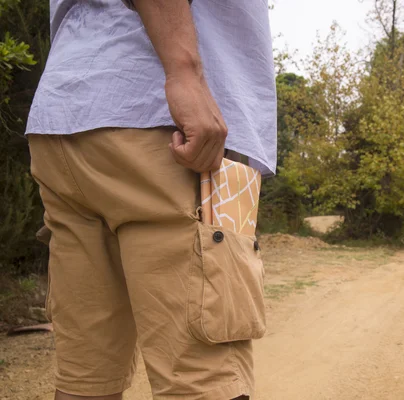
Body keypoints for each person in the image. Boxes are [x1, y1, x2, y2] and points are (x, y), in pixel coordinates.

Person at [26, 1, 276, 399]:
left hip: (63, 119)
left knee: (86, 380)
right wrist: (185, 74)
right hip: (154, 119)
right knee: (201, 379)